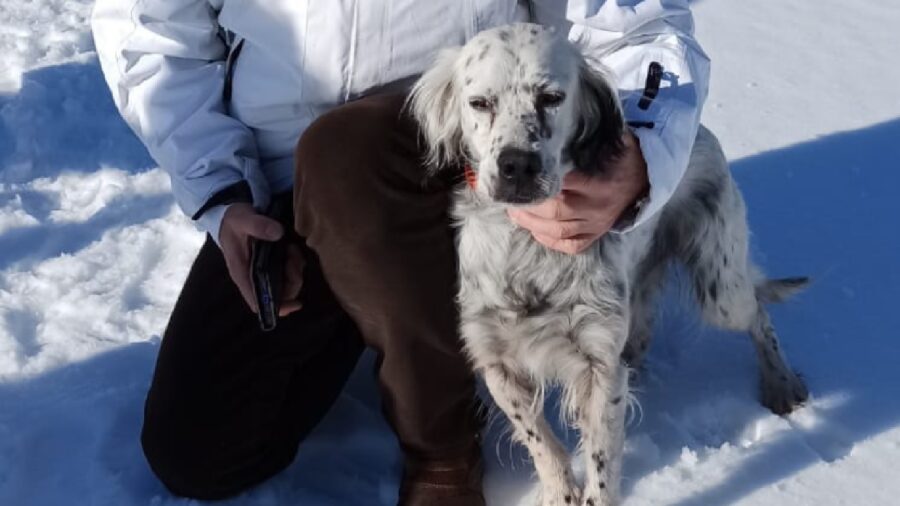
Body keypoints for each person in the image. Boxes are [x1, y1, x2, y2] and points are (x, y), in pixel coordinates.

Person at [91, 1, 709, 504]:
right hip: (277, 180)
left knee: (342, 153)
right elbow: (149, 32)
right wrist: (224, 192)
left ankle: (442, 446)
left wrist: (638, 149)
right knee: (199, 452)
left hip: (468, 166)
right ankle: (373, 318)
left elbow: (638, 23)